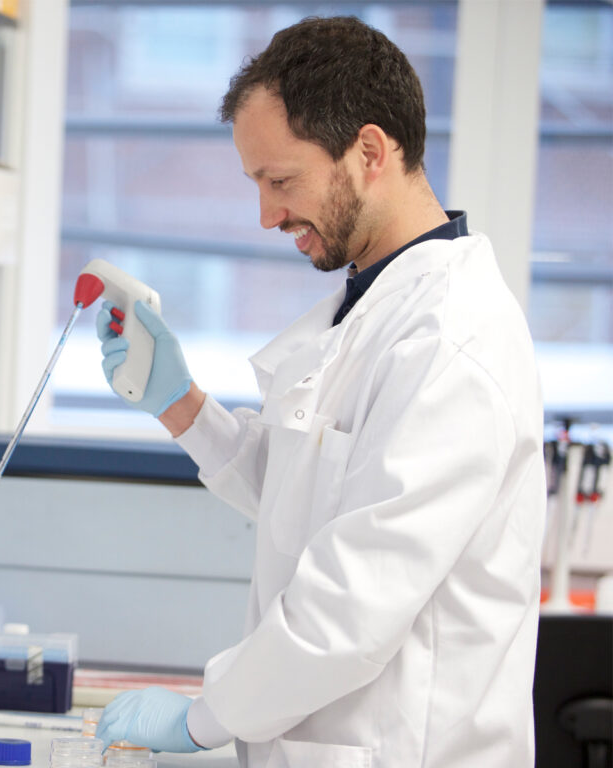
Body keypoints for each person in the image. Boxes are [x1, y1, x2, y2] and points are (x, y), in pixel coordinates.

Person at [95, 15, 546, 768]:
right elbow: (307, 497)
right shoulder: (372, 309)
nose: (267, 214)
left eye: (281, 181)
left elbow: (355, 600)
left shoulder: (452, 341)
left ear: (370, 151)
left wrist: (206, 718)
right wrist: (179, 403)